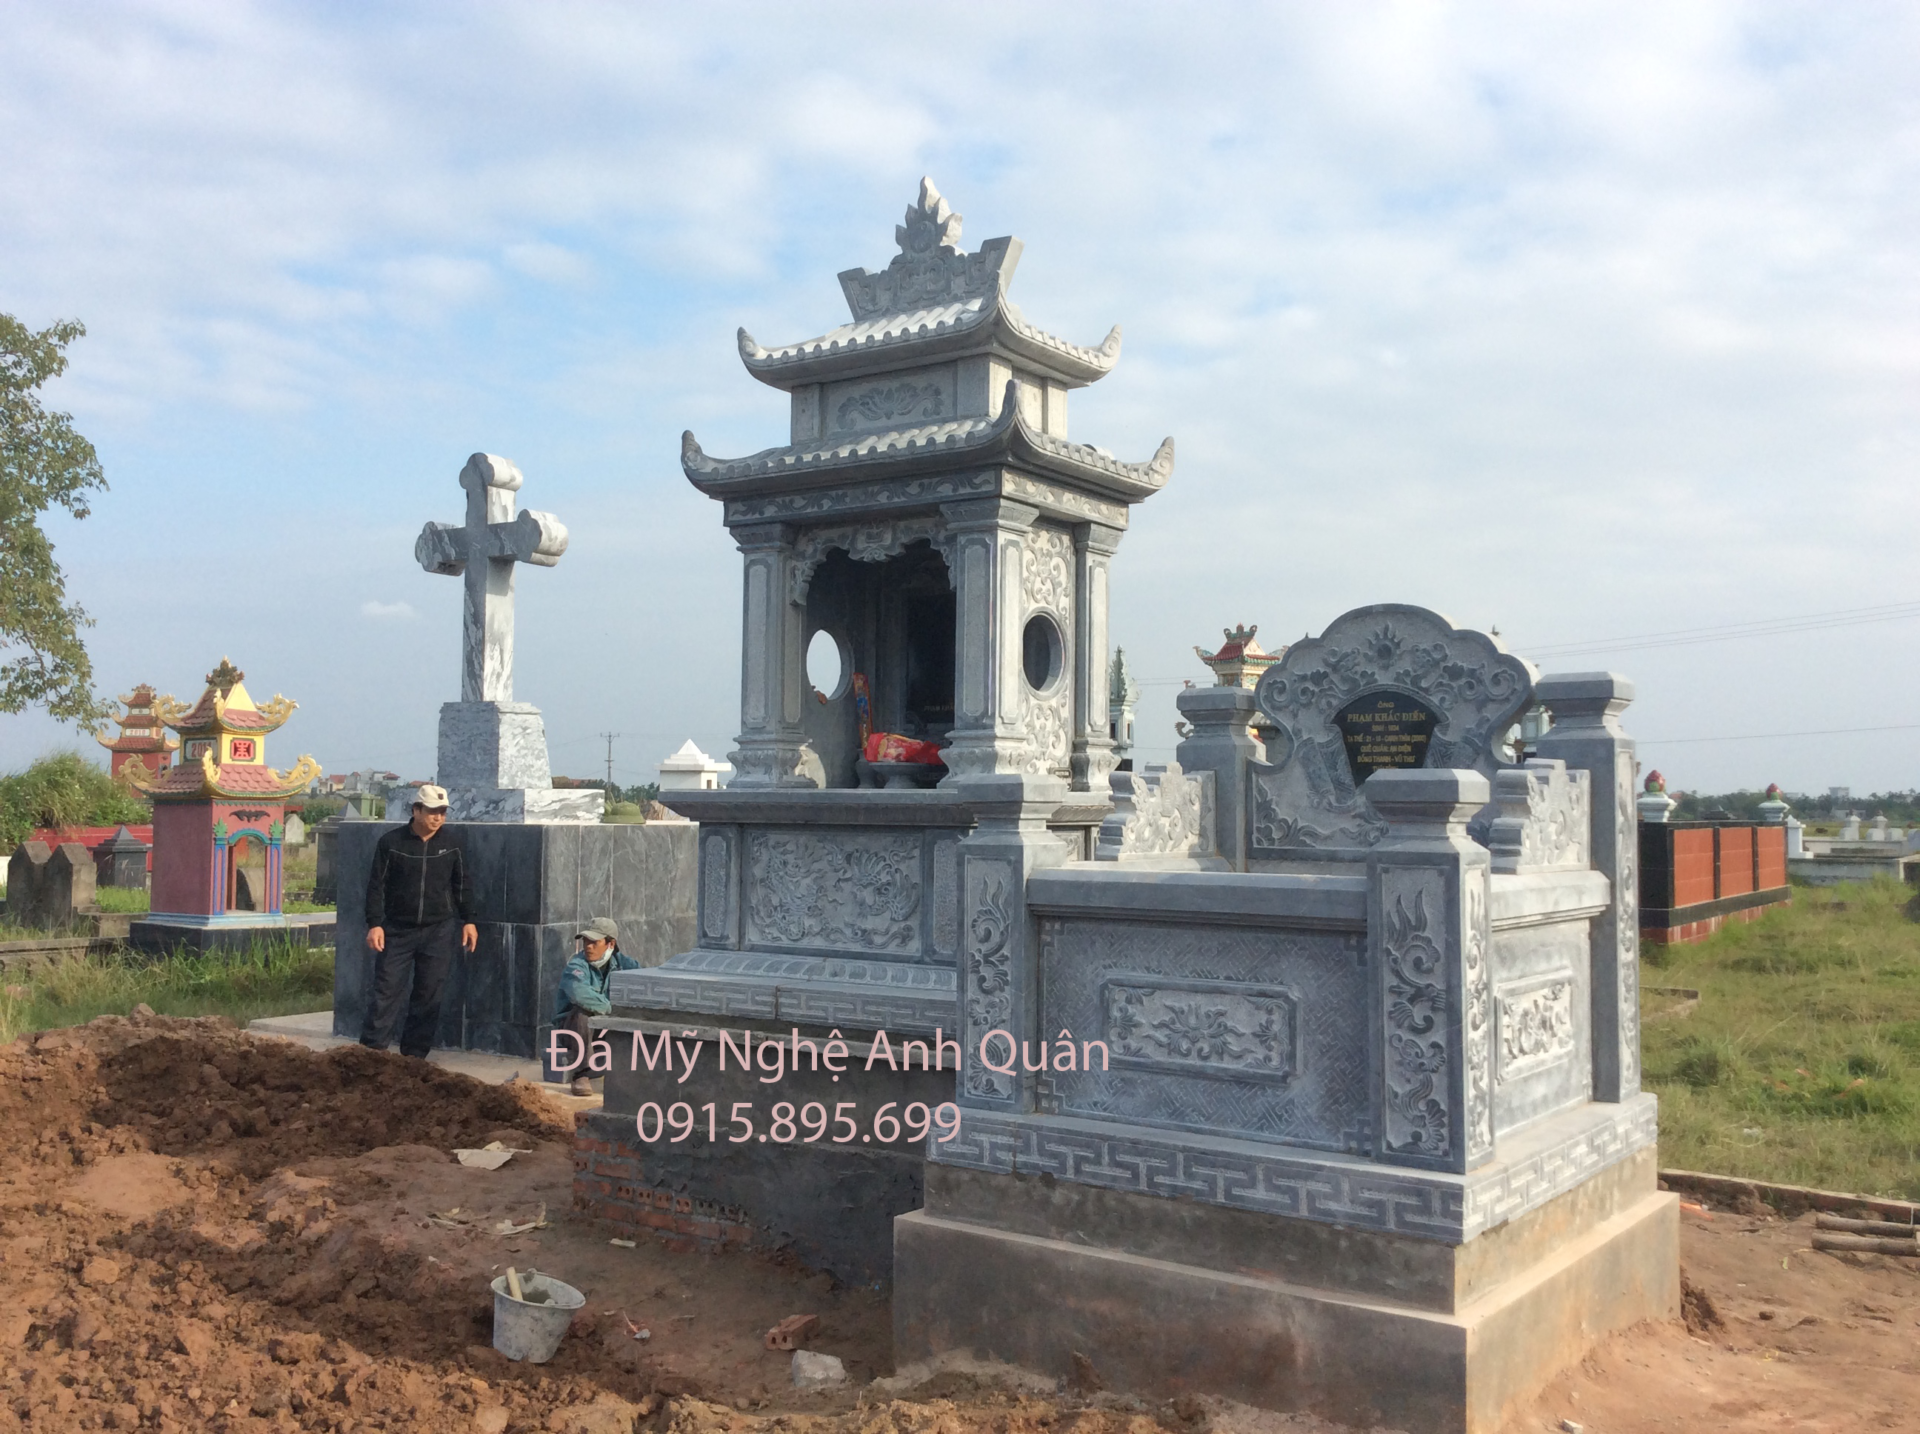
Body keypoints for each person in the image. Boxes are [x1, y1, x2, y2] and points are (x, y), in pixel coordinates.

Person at [360, 784, 476, 1058]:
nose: (438, 817)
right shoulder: (391, 843)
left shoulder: (452, 844)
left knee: (428, 995)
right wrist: (375, 923)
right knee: (386, 992)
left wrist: (469, 920)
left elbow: (462, 885)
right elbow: (376, 886)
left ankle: (414, 1058)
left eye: (443, 812)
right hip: (397, 930)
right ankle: (370, 1055)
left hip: (438, 931)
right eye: (433, 811)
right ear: (416, 810)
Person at [554, 916, 639, 1096]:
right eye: (586, 941)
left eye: (594, 942)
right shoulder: (577, 965)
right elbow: (579, 994)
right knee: (583, 1012)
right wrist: (612, 1009)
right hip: (572, 1029)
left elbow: (642, 981)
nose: (588, 946)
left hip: (605, 1028)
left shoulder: (624, 964)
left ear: (610, 944)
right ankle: (581, 1075)